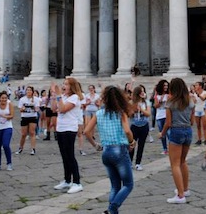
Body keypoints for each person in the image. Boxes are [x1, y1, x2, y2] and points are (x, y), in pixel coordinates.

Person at [83, 86, 135, 214]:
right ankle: (111, 209)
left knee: (115, 186)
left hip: (106, 151)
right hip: (120, 150)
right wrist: (132, 142)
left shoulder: (99, 113)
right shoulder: (121, 113)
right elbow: (127, 131)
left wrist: (95, 145)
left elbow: (86, 131)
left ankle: (112, 211)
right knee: (128, 184)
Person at [158, 78, 194, 204]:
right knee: (183, 162)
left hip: (176, 131)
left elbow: (168, 122)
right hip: (188, 131)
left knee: (175, 164)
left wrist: (162, 134)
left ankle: (180, 195)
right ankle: (185, 189)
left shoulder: (170, 102)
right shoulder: (190, 101)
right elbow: (192, 121)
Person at [52, 78, 84, 194]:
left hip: (69, 128)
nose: (63, 86)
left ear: (72, 86)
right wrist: (54, 95)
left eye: (66, 84)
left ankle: (77, 182)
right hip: (60, 128)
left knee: (70, 155)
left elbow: (63, 109)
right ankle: (67, 180)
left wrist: (59, 96)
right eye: (63, 84)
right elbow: (54, 108)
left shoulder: (75, 98)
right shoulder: (64, 97)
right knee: (64, 155)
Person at [129, 85, 150, 171]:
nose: (143, 93)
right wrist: (134, 110)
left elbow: (148, 114)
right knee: (132, 145)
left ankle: (138, 163)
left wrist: (141, 109)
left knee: (141, 145)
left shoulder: (146, 102)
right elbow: (129, 115)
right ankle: (129, 162)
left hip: (144, 125)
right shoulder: (131, 102)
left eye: (143, 91)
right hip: (134, 125)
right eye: (141, 91)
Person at [0, 91, 14, 171]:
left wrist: (5, 116)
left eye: (5, 98)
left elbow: (12, 115)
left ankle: (9, 163)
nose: (4, 100)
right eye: (2, 98)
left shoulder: (10, 104)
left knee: (6, 145)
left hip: (7, 126)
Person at [16, 86, 39, 155]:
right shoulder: (22, 99)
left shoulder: (36, 99)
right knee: (24, 134)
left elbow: (37, 109)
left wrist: (34, 107)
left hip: (33, 116)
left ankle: (33, 148)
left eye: (30, 90)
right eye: (27, 90)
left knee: (32, 132)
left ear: (32, 91)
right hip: (25, 117)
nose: (28, 92)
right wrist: (22, 109)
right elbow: (20, 109)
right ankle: (21, 147)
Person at [153, 80, 170, 155]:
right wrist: (160, 100)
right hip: (159, 115)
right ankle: (165, 148)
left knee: (169, 133)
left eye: (166, 85)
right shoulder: (157, 96)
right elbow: (156, 106)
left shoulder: (169, 95)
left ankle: (171, 147)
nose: (166, 87)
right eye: (164, 86)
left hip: (167, 115)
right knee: (162, 133)